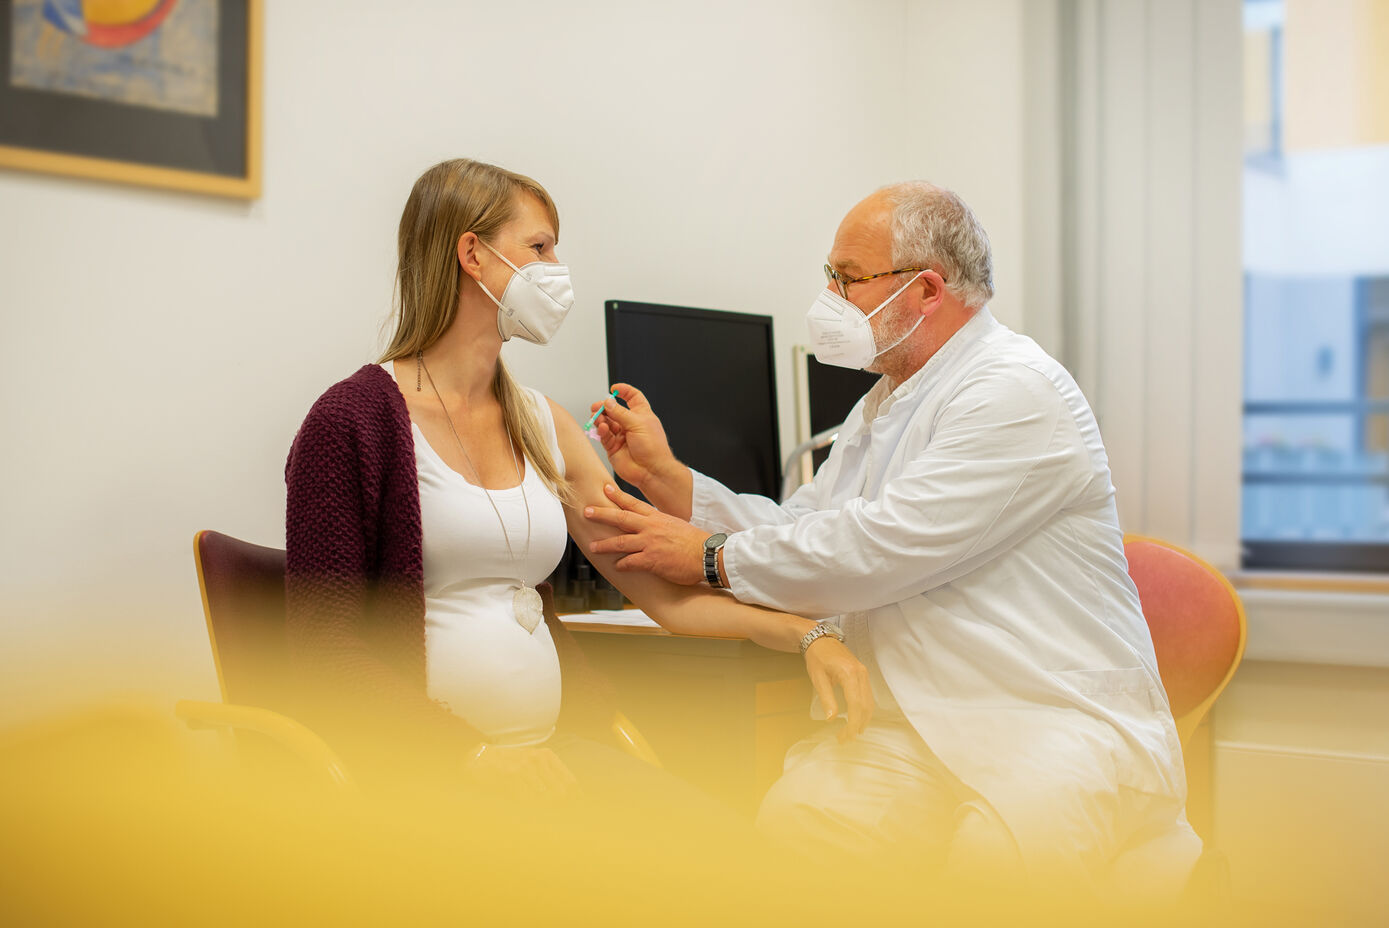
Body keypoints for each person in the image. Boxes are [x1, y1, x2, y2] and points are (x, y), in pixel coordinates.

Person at [582, 181, 1199, 883]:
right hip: (914, 722)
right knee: (799, 830)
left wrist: (710, 557)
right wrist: (670, 480)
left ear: (927, 290)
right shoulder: (886, 402)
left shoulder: (1013, 390)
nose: (829, 298)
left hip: (1048, 717)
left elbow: (881, 548)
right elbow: (809, 527)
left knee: (993, 866)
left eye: (845, 279)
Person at [283, 158, 872, 800]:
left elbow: (661, 594)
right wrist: (468, 754)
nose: (556, 270)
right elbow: (322, 650)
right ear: (472, 255)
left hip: (549, 760)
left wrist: (807, 633)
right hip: (430, 773)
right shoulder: (350, 422)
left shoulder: (543, 424)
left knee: (715, 838)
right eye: (538, 247)